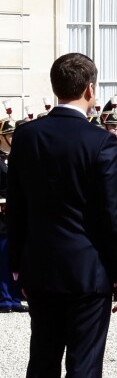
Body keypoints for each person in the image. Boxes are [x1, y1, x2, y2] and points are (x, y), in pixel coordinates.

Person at [7, 52, 117, 377]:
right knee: (84, 365)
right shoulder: (100, 141)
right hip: (87, 270)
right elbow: (113, 213)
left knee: (43, 361)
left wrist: (18, 265)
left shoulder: (25, 135)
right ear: (90, 89)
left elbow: (17, 207)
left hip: (39, 265)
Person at [0, 118, 28, 314]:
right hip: (1, 217)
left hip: (16, 217)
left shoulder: (17, 158)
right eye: (9, 135)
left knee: (15, 258)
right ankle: (4, 298)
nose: (13, 138)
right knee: (3, 259)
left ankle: (15, 295)